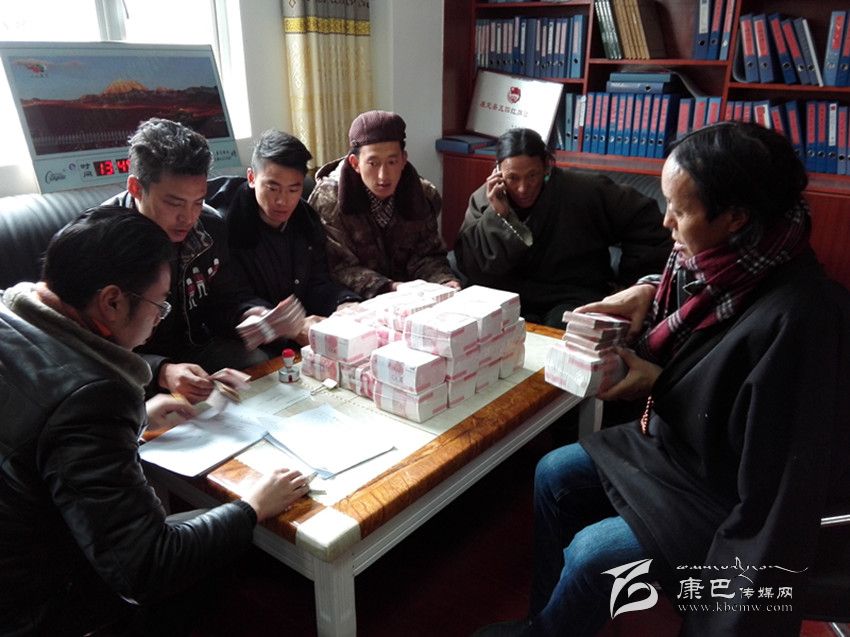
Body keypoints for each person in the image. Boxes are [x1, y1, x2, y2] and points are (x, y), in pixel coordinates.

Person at [475, 122, 850, 636]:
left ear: (735, 217)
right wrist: (647, 290)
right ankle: (548, 621)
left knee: (592, 553)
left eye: (679, 208)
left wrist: (657, 383)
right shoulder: (720, 264)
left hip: (722, 492)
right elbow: (703, 347)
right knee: (553, 471)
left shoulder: (802, 320)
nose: (666, 220)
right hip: (679, 448)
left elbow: (771, 489)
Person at [0, 207, 311, 635]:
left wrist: (138, 421)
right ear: (112, 301)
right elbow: (147, 566)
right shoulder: (90, 399)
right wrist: (251, 506)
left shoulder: (12, 314)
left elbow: (37, 440)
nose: (159, 317)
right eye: (158, 305)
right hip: (37, 602)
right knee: (242, 550)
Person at [105, 118, 302, 403]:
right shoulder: (103, 243)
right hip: (130, 366)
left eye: (198, 201)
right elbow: (88, 347)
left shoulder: (209, 227)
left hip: (196, 350)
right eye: (174, 203)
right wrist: (162, 370)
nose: (188, 217)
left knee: (258, 366)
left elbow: (228, 297)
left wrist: (252, 315)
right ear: (136, 188)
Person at [454, 128, 672, 327]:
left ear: (546, 166)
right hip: (510, 296)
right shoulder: (484, 199)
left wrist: (630, 283)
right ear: (497, 171)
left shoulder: (585, 190)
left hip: (573, 294)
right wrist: (498, 215)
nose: (522, 188)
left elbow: (646, 221)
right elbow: (472, 266)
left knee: (567, 330)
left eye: (532, 175)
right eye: (512, 178)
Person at [208, 129, 360, 346]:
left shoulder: (306, 220)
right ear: (252, 178)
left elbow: (317, 282)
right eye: (273, 188)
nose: (283, 201)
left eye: (293, 190)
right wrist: (287, 326)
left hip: (304, 330)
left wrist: (344, 302)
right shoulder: (226, 225)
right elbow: (233, 300)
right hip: (250, 338)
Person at [309, 110, 460, 298]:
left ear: (403, 160)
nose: (383, 175)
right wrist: (390, 287)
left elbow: (427, 255)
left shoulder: (422, 195)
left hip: (412, 296)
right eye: (373, 163)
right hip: (355, 299)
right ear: (355, 163)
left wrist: (444, 281)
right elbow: (339, 267)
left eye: (392, 162)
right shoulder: (329, 200)